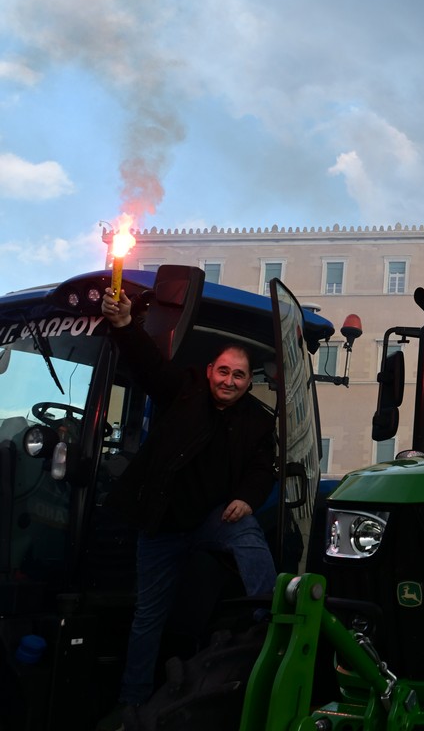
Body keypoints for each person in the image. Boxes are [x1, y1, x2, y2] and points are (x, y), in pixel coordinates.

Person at [100, 288, 278, 718]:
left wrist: (246, 499)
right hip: (162, 522)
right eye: (223, 372)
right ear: (209, 371)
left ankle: (271, 619)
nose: (228, 381)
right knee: (149, 615)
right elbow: (148, 365)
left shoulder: (259, 421)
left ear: (248, 381)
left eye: (238, 376)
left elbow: (262, 470)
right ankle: (132, 701)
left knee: (247, 533)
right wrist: (124, 324)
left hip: (212, 518)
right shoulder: (182, 392)